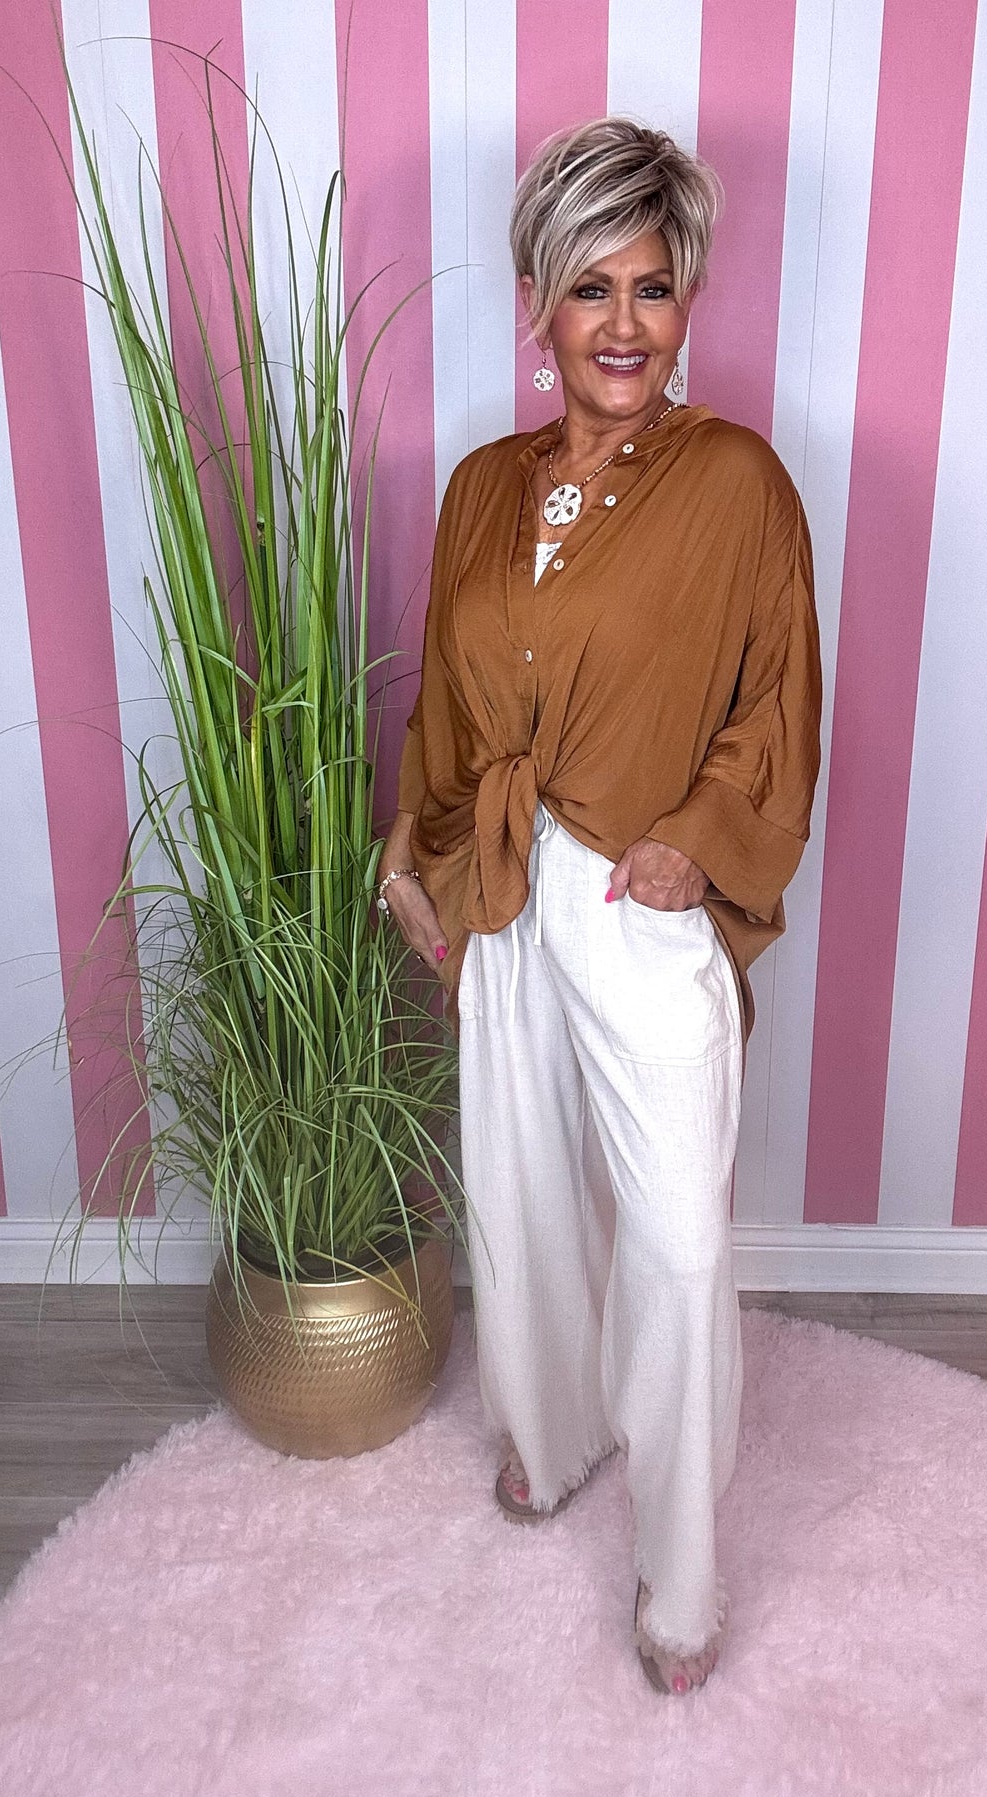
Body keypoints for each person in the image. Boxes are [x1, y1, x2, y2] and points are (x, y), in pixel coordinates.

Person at [377, 117, 822, 1698]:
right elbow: (447, 698)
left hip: (641, 896)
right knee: (517, 1192)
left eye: (651, 286)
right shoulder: (478, 487)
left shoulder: (735, 481)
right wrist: (416, 855)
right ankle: (553, 1432)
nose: (622, 324)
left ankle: (680, 1575)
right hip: (502, 886)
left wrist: (695, 842)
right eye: (589, 287)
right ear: (537, 304)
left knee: (679, 1244)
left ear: (686, 301)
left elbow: (775, 695)